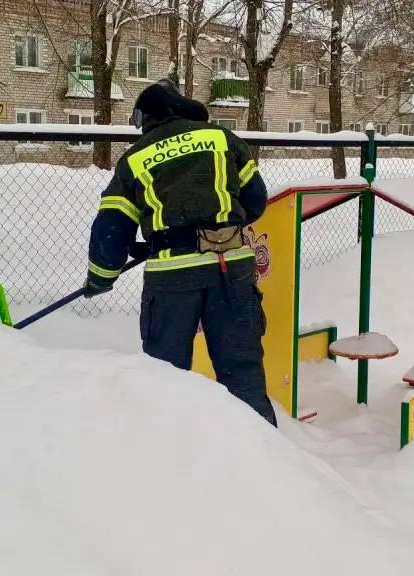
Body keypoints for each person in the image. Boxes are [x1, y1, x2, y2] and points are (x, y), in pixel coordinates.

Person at [83, 79, 277, 427]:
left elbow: (111, 227)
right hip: (231, 268)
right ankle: (264, 464)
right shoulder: (222, 139)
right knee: (243, 375)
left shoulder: (136, 157)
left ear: (152, 118)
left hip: (173, 277)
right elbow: (256, 200)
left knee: (165, 377)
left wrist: (101, 276)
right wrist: (218, 224)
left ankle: (172, 462)